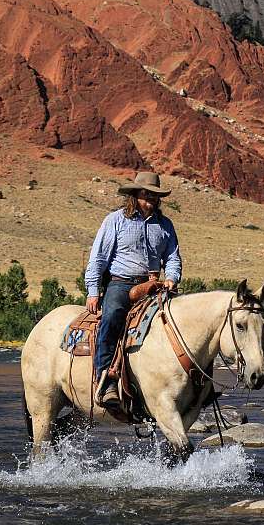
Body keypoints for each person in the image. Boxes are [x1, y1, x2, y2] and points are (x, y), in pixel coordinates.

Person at [84, 171, 182, 408]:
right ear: (135, 195)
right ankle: (105, 379)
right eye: (145, 194)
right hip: (121, 283)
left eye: (155, 195)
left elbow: (173, 258)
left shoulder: (165, 225)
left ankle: (184, 383)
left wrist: (172, 278)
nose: (150, 198)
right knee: (111, 317)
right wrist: (93, 290)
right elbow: (98, 259)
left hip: (154, 285)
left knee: (180, 321)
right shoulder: (115, 220)